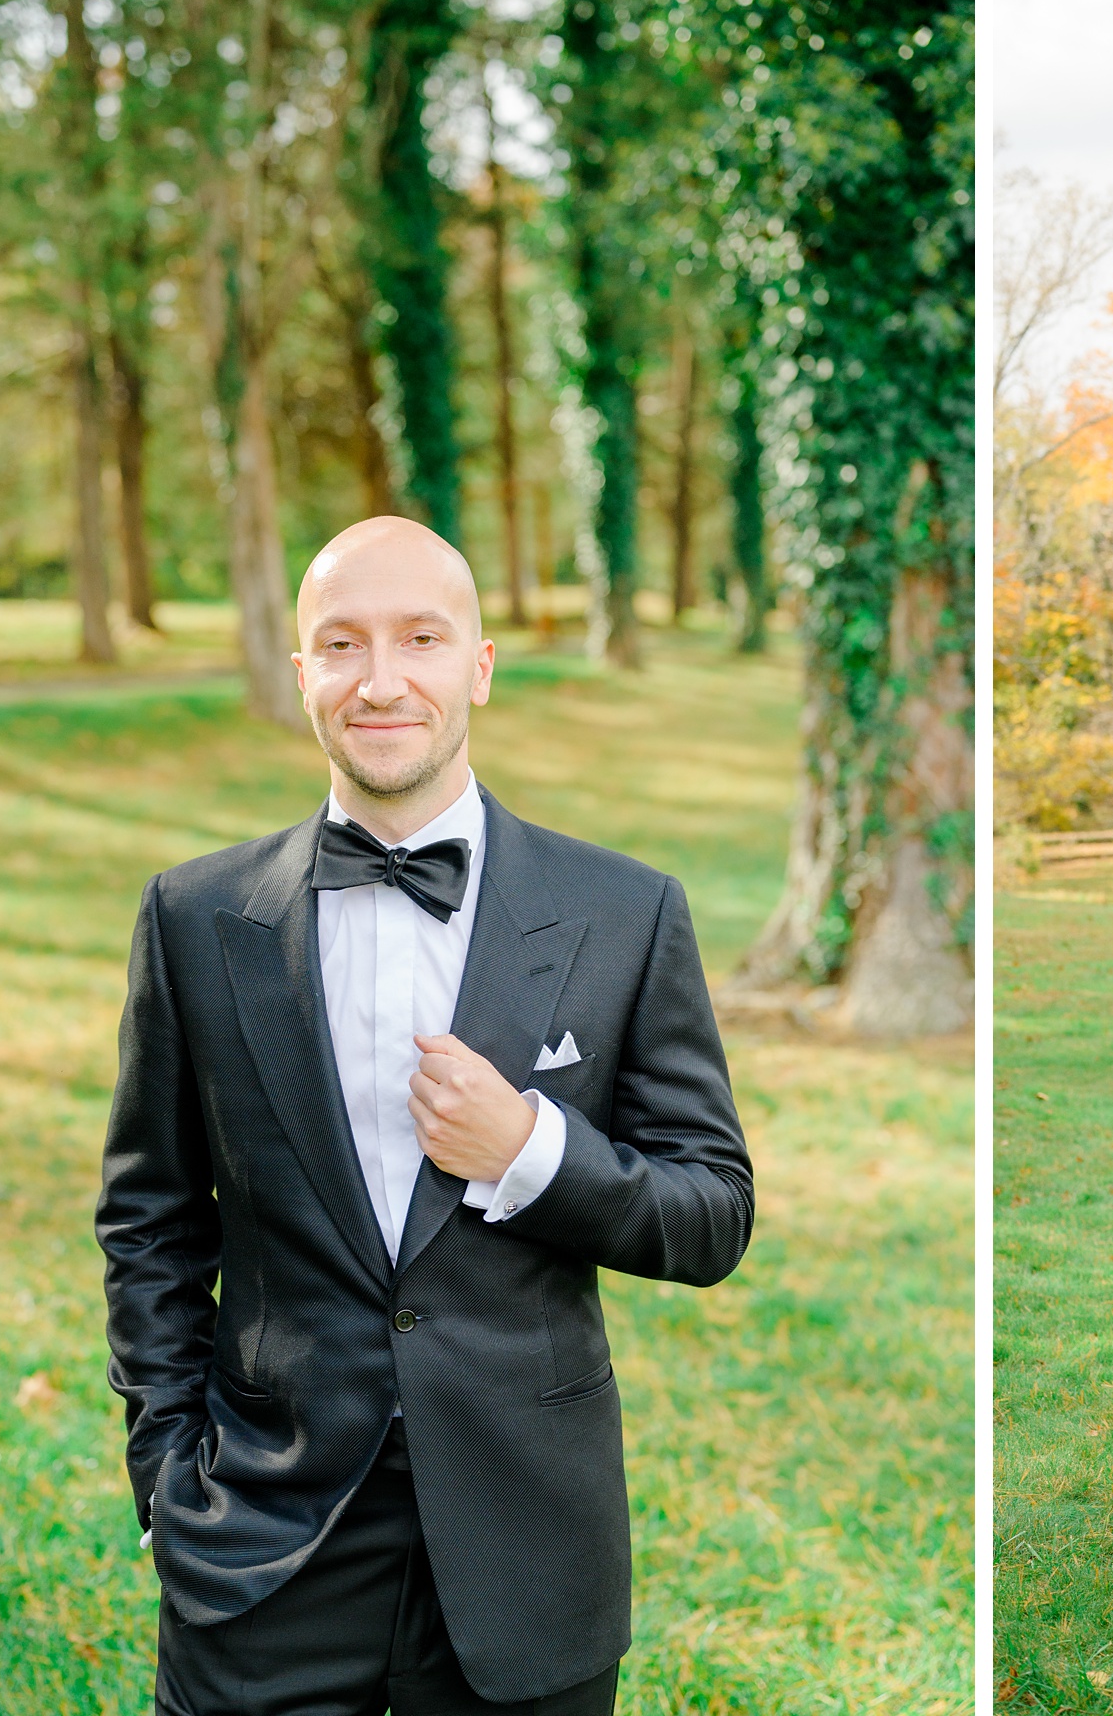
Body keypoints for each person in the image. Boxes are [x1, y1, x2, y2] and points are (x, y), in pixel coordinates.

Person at [97, 516, 755, 1714]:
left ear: (481, 666)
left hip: (527, 1549)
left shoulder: (624, 911)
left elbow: (713, 1215)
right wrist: (166, 1473)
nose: (382, 680)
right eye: (341, 644)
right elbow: (148, 1222)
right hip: (262, 1542)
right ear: (303, 675)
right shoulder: (194, 918)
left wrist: (532, 1154)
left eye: (422, 638)